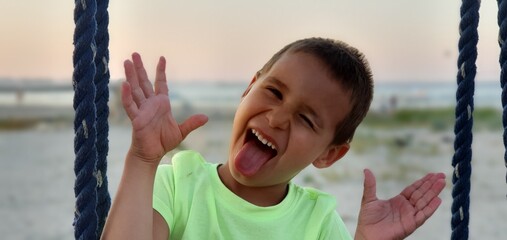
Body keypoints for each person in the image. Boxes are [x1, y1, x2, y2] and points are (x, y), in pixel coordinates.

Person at [101, 37, 446, 240]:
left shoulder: (319, 222)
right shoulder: (178, 184)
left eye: (306, 120)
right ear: (249, 87)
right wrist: (143, 159)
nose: (277, 118)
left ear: (329, 155)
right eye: (274, 93)